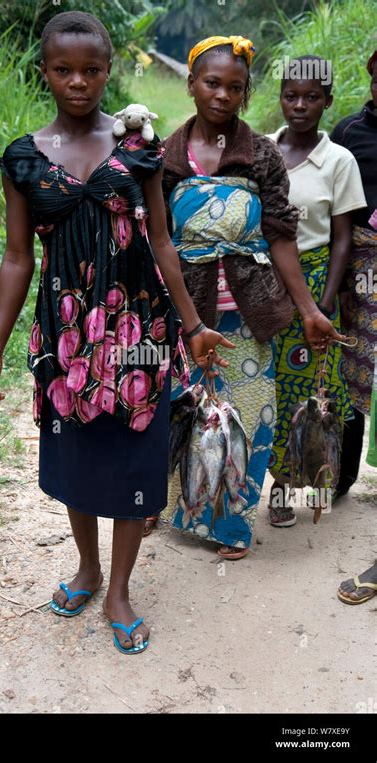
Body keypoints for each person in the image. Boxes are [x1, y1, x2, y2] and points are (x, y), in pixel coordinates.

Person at [0, 12, 233, 655]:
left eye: (91, 70)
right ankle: (87, 568)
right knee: (77, 456)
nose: (78, 83)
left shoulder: (139, 149)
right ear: (45, 73)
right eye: (64, 70)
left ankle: (118, 587)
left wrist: (194, 325)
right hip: (66, 336)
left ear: (108, 71)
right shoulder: (24, 159)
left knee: (131, 456)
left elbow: (164, 243)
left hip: (138, 328)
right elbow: (15, 258)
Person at [159, 36, 342, 560]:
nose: (222, 95)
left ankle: (232, 526)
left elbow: (281, 234)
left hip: (247, 311)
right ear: (191, 83)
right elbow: (158, 239)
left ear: (245, 93)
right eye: (212, 83)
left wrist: (308, 310)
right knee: (185, 412)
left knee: (253, 417)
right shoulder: (165, 158)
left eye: (234, 87)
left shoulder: (261, 154)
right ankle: (181, 509)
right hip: (186, 313)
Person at [267, 56, 367, 524]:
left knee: (312, 392)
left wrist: (324, 302)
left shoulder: (339, 160)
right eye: (291, 96)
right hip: (266, 283)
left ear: (327, 101)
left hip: (316, 281)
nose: (300, 106)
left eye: (311, 98)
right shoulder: (262, 151)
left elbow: (342, 236)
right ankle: (278, 485)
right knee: (269, 389)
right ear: (280, 99)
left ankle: (307, 485)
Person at [329, 50, 377, 499]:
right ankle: (344, 475)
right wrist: (340, 282)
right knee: (355, 368)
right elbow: (336, 211)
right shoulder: (348, 132)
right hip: (361, 263)